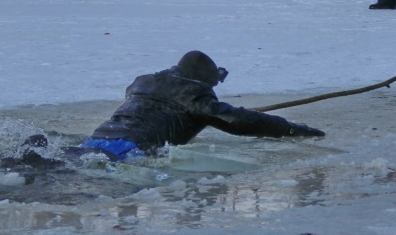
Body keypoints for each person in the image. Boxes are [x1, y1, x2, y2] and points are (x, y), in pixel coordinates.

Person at [75, 51, 324, 160]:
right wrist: (291, 129)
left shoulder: (143, 84)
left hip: (96, 140)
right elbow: (238, 121)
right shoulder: (194, 96)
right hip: (130, 151)